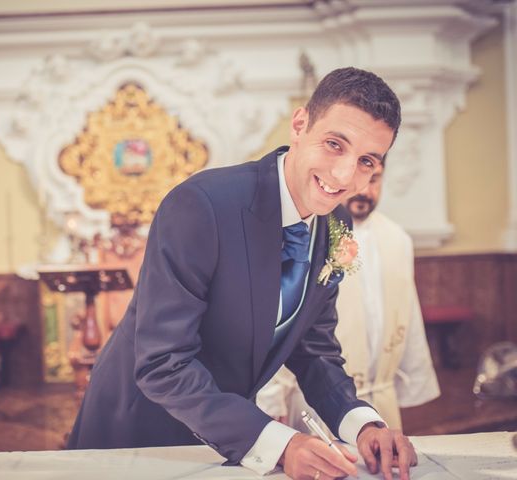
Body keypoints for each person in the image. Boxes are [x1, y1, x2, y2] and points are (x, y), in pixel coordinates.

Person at [67, 67, 418, 480]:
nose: (344, 176)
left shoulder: (334, 222)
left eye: (366, 162)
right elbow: (163, 363)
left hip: (234, 441)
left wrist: (364, 425)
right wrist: (281, 444)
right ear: (300, 124)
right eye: (334, 144)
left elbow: (314, 350)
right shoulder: (201, 206)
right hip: (139, 434)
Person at [257, 161, 440, 432]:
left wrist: (414, 378)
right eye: (358, 179)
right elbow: (281, 317)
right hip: (318, 399)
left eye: (375, 179)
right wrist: (272, 397)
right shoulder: (308, 232)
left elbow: (408, 312)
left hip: (380, 397)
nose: (365, 190)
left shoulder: (397, 238)